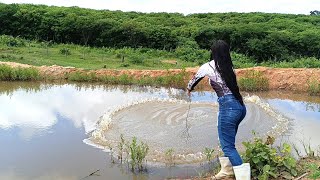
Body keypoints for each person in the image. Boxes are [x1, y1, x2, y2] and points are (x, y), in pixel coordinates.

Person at [186, 40, 250, 180]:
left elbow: (194, 80)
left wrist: (189, 89)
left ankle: (244, 177)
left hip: (228, 108)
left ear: (213, 52)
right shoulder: (230, 67)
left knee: (228, 147)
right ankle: (227, 171)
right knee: (228, 142)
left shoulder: (208, 66)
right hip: (240, 107)